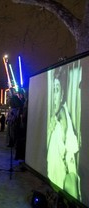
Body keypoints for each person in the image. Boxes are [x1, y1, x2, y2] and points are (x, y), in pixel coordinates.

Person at [47, 68, 80, 199]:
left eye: (56, 90)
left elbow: (71, 176)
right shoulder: (53, 120)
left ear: (62, 95)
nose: (53, 96)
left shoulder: (64, 124)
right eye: (52, 90)